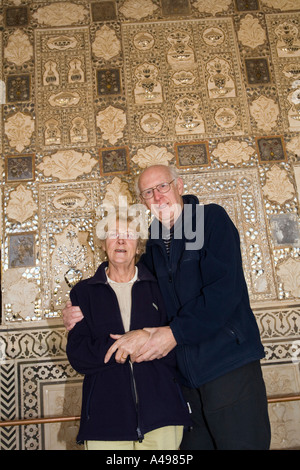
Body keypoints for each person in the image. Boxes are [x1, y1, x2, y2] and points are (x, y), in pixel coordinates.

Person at [64, 164, 271, 450]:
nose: (158, 197)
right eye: (148, 192)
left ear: (179, 186)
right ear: (143, 201)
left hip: (227, 364)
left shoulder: (210, 219)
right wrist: (80, 302)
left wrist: (173, 333)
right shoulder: (155, 245)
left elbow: (224, 293)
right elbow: (125, 275)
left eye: (163, 186)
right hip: (186, 380)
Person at [66, 210, 191, 450]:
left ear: (139, 244)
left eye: (128, 235)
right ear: (103, 244)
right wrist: (125, 346)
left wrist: (145, 342)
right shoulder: (84, 292)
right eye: (113, 235)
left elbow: (178, 342)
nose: (121, 241)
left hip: (162, 413)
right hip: (105, 418)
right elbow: (79, 355)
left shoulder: (160, 286)